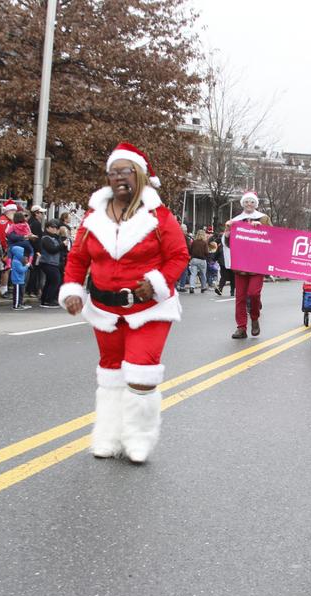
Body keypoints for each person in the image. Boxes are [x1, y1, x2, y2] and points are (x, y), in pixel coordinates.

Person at [59, 142, 189, 462]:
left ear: (140, 175)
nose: (119, 178)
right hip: (105, 309)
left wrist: (156, 282)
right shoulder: (93, 217)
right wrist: (73, 289)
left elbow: (178, 256)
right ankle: (108, 435)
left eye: (125, 171)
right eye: (113, 172)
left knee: (140, 374)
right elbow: (77, 258)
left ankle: (138, 438)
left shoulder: (158, 216)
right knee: (111, 373)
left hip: (149, 309)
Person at [225, 191, 272, 339]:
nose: (249, 204)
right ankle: (241, 327)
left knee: (253, 293)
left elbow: (273, 238)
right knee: (240, 297)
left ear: (256, 204)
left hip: (257, 265)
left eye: (252, 202)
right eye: (246, 202)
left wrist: (263, 229)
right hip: (241, 265)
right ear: (242, 204)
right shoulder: (236, 221)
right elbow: (228, 244)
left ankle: (255, 317)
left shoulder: (263, 218)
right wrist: (227, 232)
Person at [37, 220, 63, 307]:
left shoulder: (54, 238)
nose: (55, 229)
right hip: (47, 262)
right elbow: (52, 250)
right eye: (52, 227)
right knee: (55, 280)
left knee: (50, 281)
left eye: (56, 227)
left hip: (53, 263)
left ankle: (44, 300)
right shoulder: (46, 238)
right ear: (47, 228)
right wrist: (62, 245)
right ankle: (49, 300)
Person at [187, 228, 209, 293]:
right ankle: (203, 287)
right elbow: (206, 252)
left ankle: (192, 287)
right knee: (203, 274)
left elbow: (190, 250)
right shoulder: (204, 243)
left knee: (193, 274)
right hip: (202, 260)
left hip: (194, 259)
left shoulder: (194, 242)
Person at [9, 245, 30, 310]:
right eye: (21, 253)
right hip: (17, 280)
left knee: (20, 293)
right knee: (17, 294)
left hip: (20, 280)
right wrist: (26, 266)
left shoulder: (18, 261)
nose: (22, 254)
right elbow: (21, 270)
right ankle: (16, 305)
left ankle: (20, 304)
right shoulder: (16, 262)